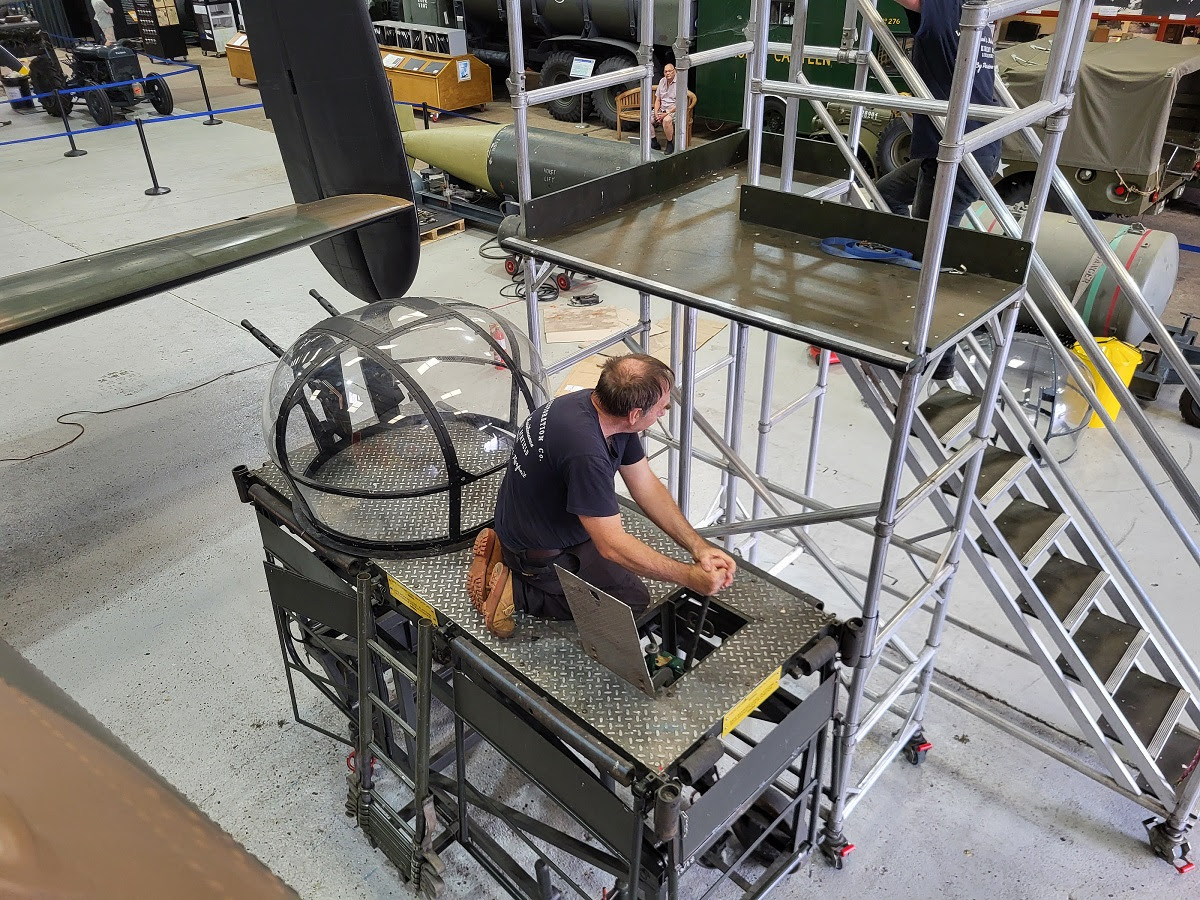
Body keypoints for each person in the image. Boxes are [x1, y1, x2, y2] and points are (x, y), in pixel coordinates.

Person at [466, 354, 736, 638]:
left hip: (526, 524)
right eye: (660, 407)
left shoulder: (597, 408)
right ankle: (517, 589)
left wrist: (698, 547)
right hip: (541, 552)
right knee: (629, 601)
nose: (664, 412)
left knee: (621, 550)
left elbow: (645, 484)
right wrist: (688, 577)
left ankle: (506, 556)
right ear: (634, 414)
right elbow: (612, 546)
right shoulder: (586, 453)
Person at [875, 0, 1001, 383]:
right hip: (949, 148)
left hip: (959, 154)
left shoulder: (949, 7)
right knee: (886, 194)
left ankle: (938, 361)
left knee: (931, 258)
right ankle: (902, 270)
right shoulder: (962, 12)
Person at [651, 63, 678, 153]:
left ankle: (670, 143)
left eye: (670, 71)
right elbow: (658, 99)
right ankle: (654, 142)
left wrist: (666, 113)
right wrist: (656, 113)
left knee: (666, 120)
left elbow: (680, 104)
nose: (667, 73)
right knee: (647, 118)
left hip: (674, 110)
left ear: (674, 71)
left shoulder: (680, 83)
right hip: (661, 109)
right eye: (666, 71)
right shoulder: (662, 81)